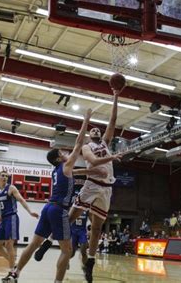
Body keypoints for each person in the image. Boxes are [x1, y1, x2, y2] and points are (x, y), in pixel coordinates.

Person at [6, 109, 99, 283]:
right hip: (59, 210)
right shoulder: (65, 165)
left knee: (34, 243)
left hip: (48, 207)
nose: (65, 154)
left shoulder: (57, 170)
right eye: (62, 154)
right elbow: (79, 144)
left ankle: (15, 274)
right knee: (67, 249)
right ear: (58, 159)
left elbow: (75, 172)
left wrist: (90, 171)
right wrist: (86, 120)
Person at [67, 89, 123, 283]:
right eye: (93, 130)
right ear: (90, 135)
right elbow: (91, 160)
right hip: (91, 184)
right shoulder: (86, 147)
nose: (97, 131)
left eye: (98, 129)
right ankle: (49, 241)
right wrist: (112, 157)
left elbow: (113, 121)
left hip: (107, 189)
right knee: (70, 218)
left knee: (97, 229)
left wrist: (115, 95)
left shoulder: (106, 143)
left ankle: (90, 261)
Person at [0, 170, 39, 279]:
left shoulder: (11, 188)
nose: (4, 177)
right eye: (2, 175)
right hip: (3, 219)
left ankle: (11, 272)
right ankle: (13, 264)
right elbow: (1, 208)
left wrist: (30, 211)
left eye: (6, 176)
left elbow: (21, 200)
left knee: (9, 244)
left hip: (12, 218)